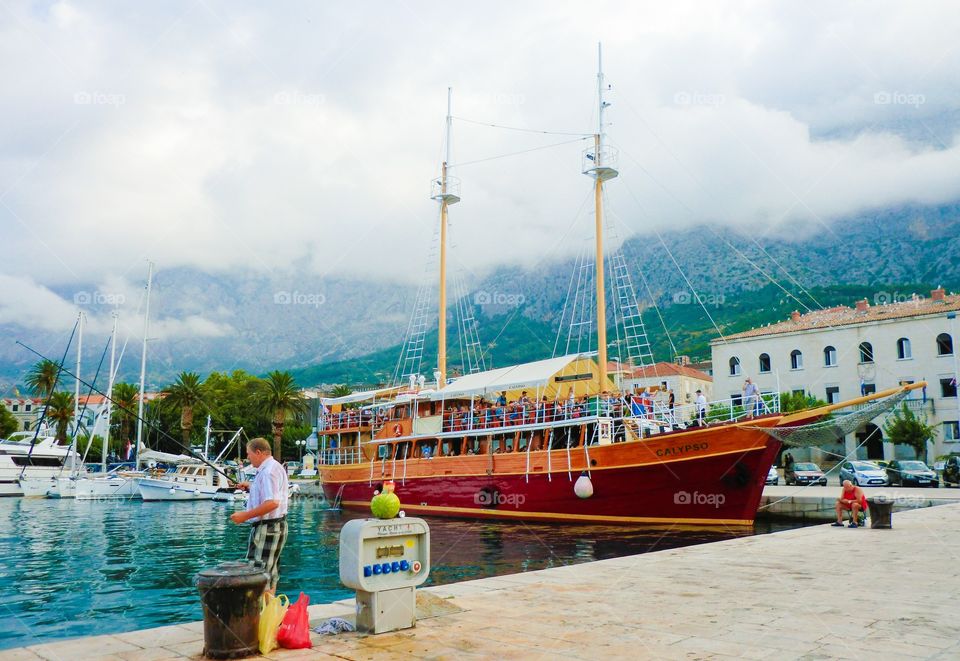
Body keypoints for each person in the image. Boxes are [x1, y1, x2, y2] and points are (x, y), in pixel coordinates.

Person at [230, 438, 289, 595]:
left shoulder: (268, 472)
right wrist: (251, 486)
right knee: (270, 572)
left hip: (268, 527)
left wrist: (244, 516)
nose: (247, 458)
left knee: (258, 574)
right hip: (275, 526)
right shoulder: (272, 467)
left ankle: (261, 614)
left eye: (249, 454)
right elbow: (269, 494)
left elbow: (272, 503)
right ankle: (270, 614)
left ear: (258, 452)